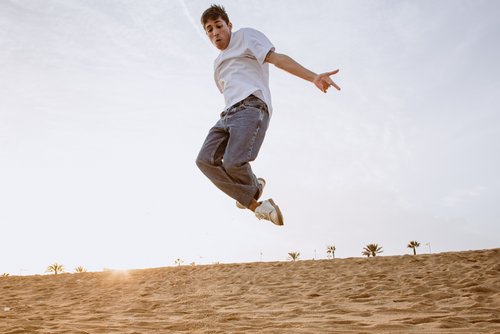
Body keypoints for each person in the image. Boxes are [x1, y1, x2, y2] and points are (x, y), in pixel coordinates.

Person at [196, 4, 340, 227]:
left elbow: (278, 59)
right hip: (227, 115)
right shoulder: (217, 65)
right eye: (209, 29)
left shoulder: (245, 36)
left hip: (251, 107)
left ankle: (254, 194)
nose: (215, 33)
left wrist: (313, 77)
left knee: (234, 164)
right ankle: (256, 196)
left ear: (229, 25)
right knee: (204, 160)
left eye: (219, 26)